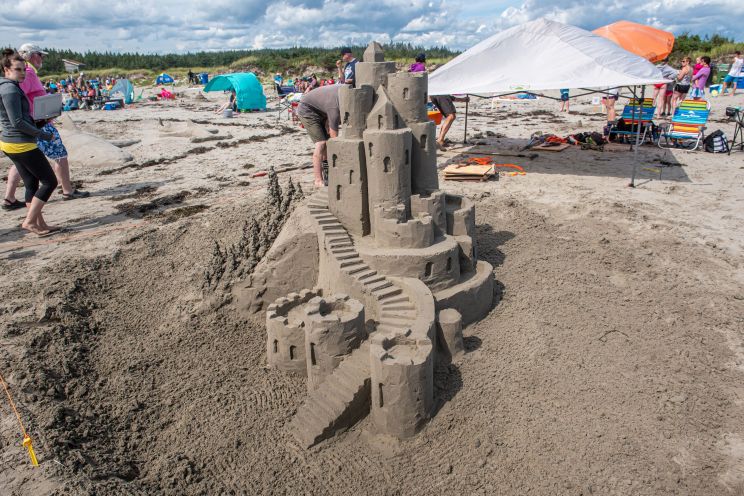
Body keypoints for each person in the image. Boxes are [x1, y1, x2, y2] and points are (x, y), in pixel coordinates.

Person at [4, 44, 89, 207]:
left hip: (32, 122)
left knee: (21, 163)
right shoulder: (27, 73)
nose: (42, 58)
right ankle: (67, 190)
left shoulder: (26, 72)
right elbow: (17, 97)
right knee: (60, 155)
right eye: (40, 55)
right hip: (37, 123)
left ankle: (9, 198)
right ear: (33, 55)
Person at [0, 49, 60, 235]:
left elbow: (19, 118)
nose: (22, 73)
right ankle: (29, 221)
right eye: (18, 69)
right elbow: (16, 122)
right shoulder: (9, 89)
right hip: (20, 143)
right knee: (50, 182)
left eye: (24, 69)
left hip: (13, 142)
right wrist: (42, 135)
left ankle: (38, 223)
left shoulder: (10, 86)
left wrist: (40, 120)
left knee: (31, 183)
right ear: (6, 69)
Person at [296, 84, 340, 188]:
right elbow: (335, 139)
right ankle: (318, 180)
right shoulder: (334, 106)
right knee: (322, 143)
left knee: (327, 142)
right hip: (306, 110)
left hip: (321, 110)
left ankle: (328, 175)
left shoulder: (346, 94)